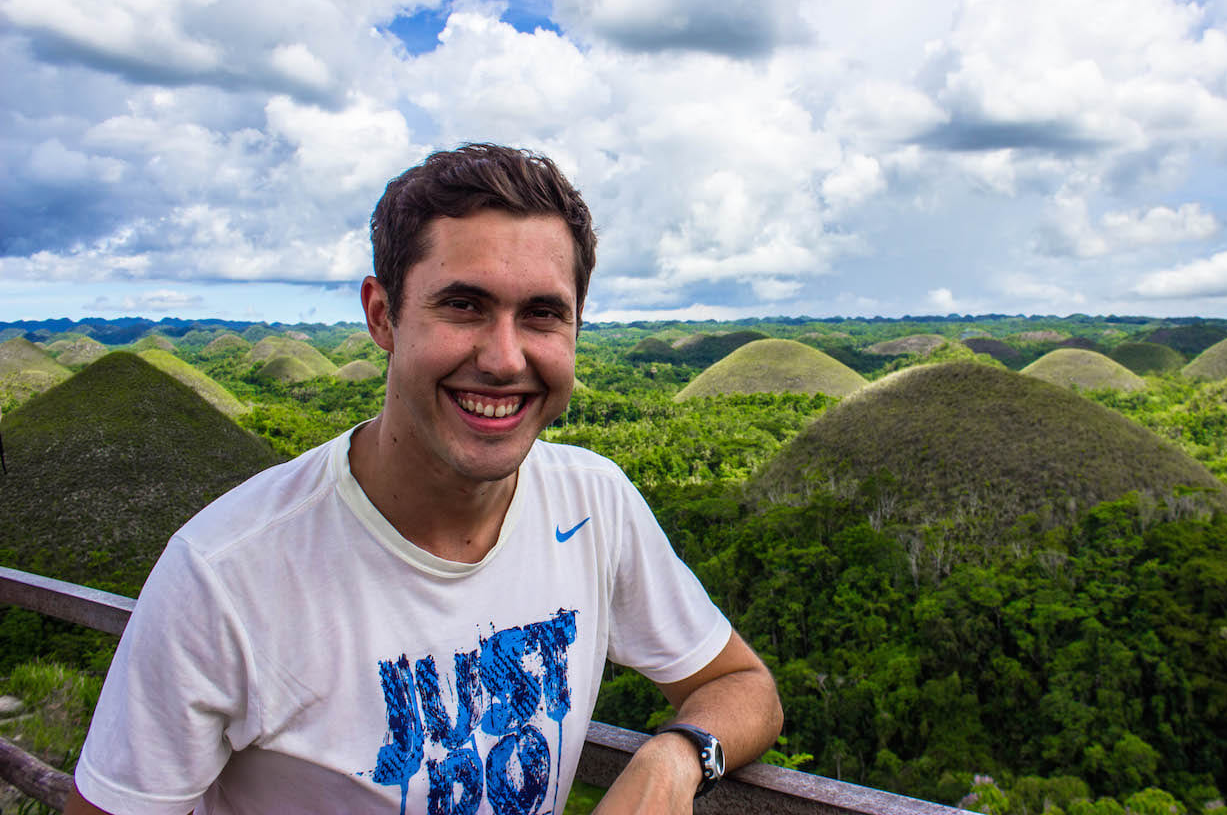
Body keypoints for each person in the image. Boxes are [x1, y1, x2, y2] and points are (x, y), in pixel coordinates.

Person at [66, 143, 783, 815]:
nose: (505, 359)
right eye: (464, 305)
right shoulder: (225, 575)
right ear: (383, 316)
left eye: (541, 314)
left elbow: (742, 686)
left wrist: (677, 756)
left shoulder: (595, 502)